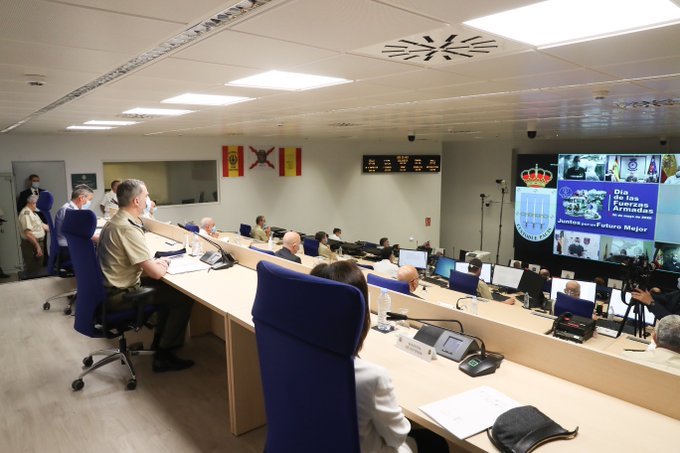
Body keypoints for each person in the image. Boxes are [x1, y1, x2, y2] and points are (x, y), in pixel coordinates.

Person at [310, 261, 449, 453]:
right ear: (361, 313)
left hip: (314, 441)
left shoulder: (295, 354)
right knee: (435, 442)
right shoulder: (371, 376)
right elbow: (397, 437)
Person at [98, 179, 194, 373]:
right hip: (119, 295)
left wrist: (151, 264)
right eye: (146, 196)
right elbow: (157, 274)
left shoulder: (115, 221)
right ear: (136, 201)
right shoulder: (127, 228)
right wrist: (164, 263)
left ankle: (161, 344)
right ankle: (164, 355)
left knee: (167, 291)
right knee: (181, 298)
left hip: (108, 289)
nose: (148, 200)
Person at [54, 185, 95, 266]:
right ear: (81, 198)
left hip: (67, 246)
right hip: (67, 249)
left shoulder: (69, 208)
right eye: (89, 200)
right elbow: (82, 235)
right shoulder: (70, 212)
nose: (89, 203)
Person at [18, 194, 48, 275]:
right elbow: (28, 234)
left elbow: (42, 225)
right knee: (34, 270)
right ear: (32, 203)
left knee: (39, 268)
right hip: (31, 245)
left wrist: (55, 229)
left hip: (37, 244)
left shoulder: (34, 213)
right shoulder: (26, 214)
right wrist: (37, 247)